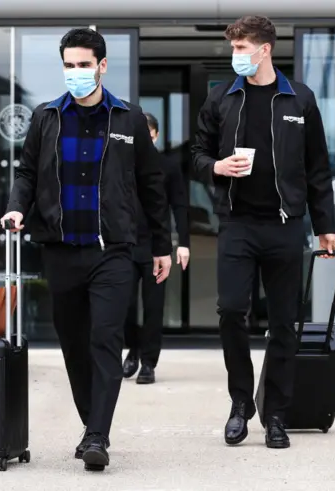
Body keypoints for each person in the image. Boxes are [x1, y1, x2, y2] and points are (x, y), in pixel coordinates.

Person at [1, 28, 172, 471]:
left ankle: (98, 435)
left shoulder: (128, 119)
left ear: (102, 66)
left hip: (111, 250)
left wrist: (162, 246)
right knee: (74, 345)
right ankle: (90, 423)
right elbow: (25, 174)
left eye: (83, 64)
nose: (75, 73)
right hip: (61, 250)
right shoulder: (46, 118)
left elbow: (152, 186)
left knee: (105, 338)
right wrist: (17, 209)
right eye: (68, 65)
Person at [191, 15, 335, 450]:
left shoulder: (300, 100)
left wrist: (325, 226)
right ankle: (241, 404)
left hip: (286, 226)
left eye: (241, 48)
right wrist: (215, 167)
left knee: (284, 325)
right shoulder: (220, 99)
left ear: (264, 49)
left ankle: (276, 414)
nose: (235, 55)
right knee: (232, 311)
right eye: (233, 48)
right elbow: (197, 154)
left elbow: (317, 169)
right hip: (237, 223)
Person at [122, 112, 190, 385]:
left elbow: (180, 205)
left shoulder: (168, 166)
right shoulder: (124, 164)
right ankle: (133, 349)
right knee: (123, 306)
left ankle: (148, 362)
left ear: (156, 136)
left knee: (153, 307)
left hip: (155, 247)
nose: (146, 142)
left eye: (150, 137)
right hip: (124, 244)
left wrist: (183, 243)